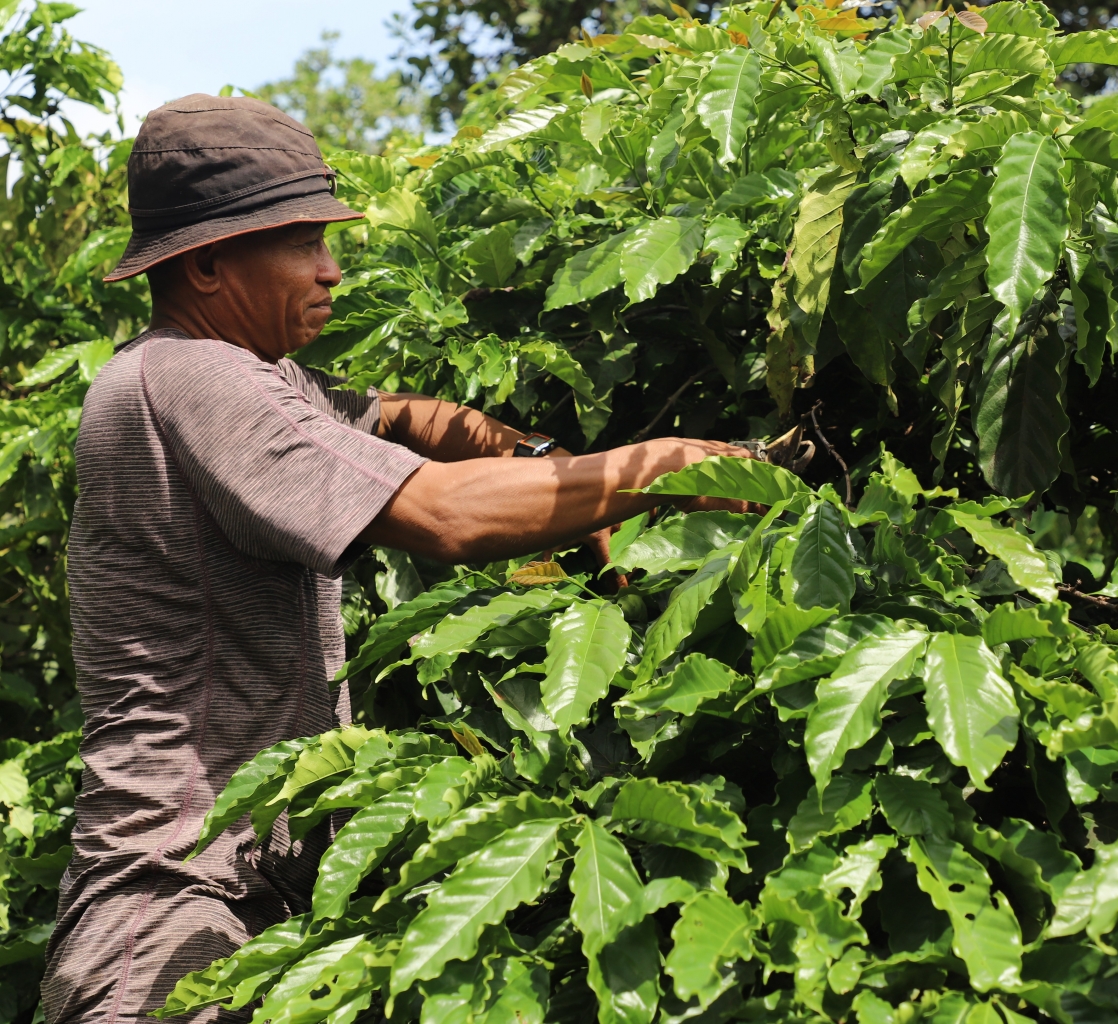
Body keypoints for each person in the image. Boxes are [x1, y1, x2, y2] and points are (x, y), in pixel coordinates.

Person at [41, 93, 751, 1021]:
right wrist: (660, 470)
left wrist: (541, 462)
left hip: (254, 903)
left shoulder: (251, 374)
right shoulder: (191, 379)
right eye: (302, 243)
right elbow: (439, 514)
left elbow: (394, 417)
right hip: (169, 910)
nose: (332, 269)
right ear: (209, 263)